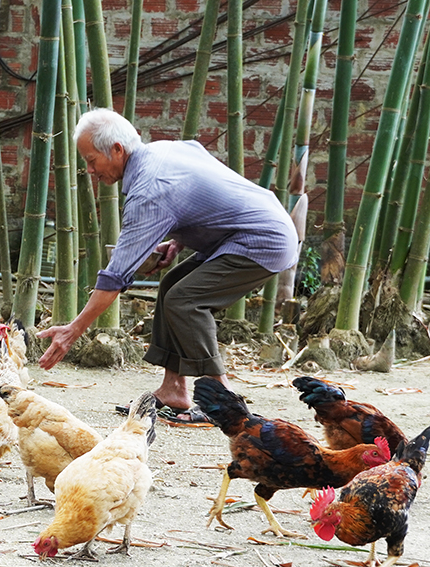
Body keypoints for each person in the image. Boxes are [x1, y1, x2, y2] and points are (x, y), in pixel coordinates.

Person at [37, 108, 299, 421]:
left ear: (117, 150)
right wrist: (178, 240)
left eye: (92, 161)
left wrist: (73, 329)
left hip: (263, 240)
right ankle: (174, 389)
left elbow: (116, 276)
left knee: (186, 300)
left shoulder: (149, 189)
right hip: (249, 231)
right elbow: (205, 193)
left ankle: (224, 403)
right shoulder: (164, 149)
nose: (91, 171)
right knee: (172, 286)